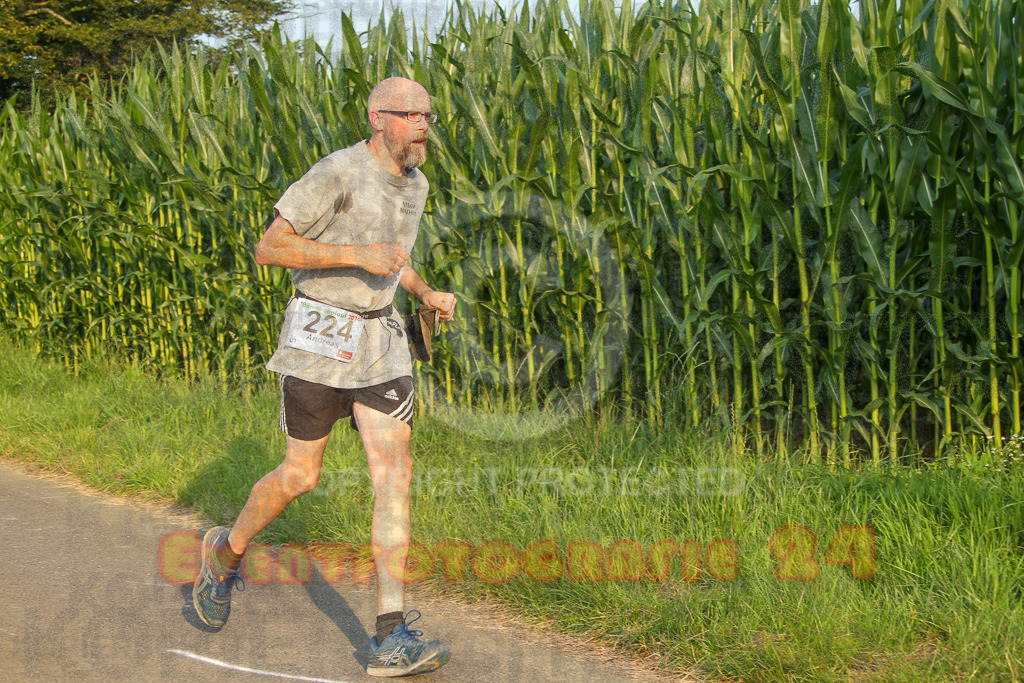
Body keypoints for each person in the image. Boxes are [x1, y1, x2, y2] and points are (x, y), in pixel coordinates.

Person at [192, 76, 456, 678]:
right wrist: (354, 255)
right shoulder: (336, 173)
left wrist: (424, 291)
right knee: (299, 476)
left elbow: (396, 255)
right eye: (410, 114)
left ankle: (390, 636)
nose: (422, 125)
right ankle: (224, 555)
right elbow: (270, 247)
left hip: (382, 339)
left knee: (394, 474)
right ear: (377, 118)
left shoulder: (416, 185)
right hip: (319, 333)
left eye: (429, 115)